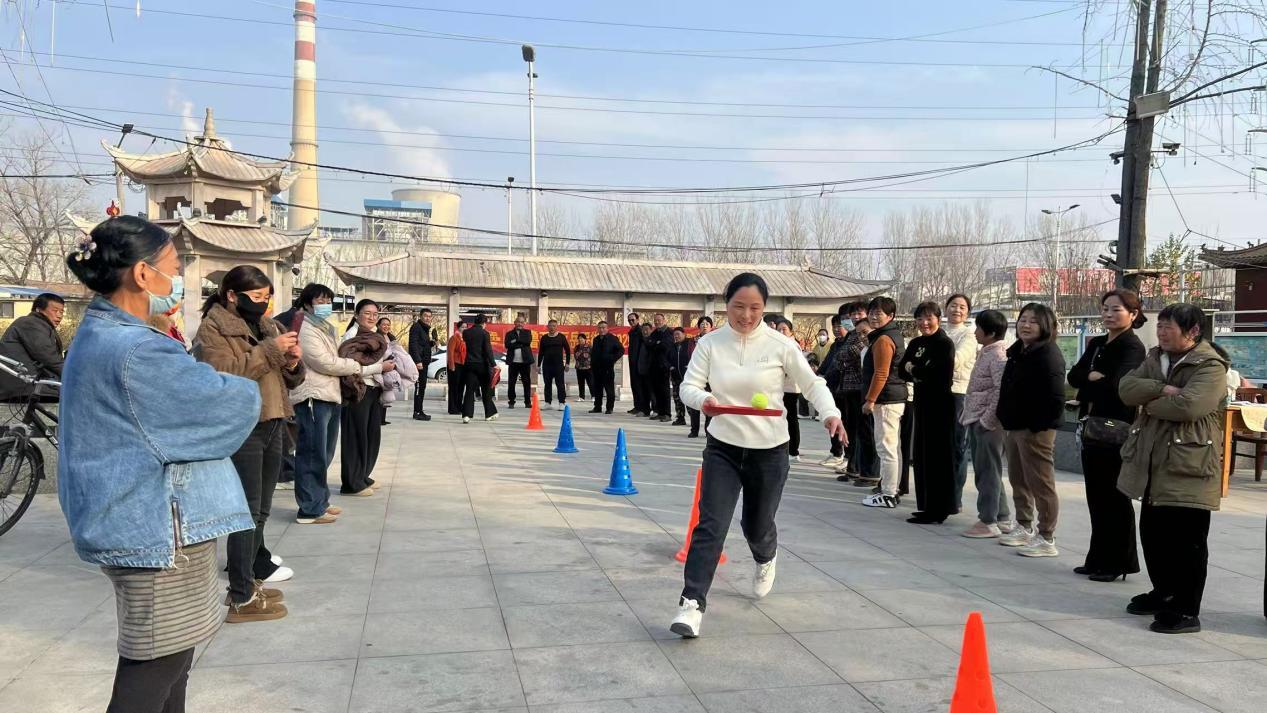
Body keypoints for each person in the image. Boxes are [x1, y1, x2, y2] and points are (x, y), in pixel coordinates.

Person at [59, 216, 260, 713]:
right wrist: (250, 381)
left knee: (173, 654)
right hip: (157, 528)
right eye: (173, 267)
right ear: (143, 274)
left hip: (150, 520)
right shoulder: (135, 350)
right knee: (154, 662)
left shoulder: (108, 334)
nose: (178, 280)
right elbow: (220, 405)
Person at [671, 273, 845, 638]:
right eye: (739, 306)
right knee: (711, 524)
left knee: (756, 524)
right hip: (723, 447)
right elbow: (689, 386)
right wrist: (705, 400)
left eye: (755, 308)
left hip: (769, 450)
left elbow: (812, 383)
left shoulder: (780, 344)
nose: (746, 315)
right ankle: (691, 604)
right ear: (726, 305)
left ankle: (766, 556)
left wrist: (830, 414)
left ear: (764, 308)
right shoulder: (710, 343)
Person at [193, 266, 305, 622]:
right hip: (243, 427)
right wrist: (271, 351)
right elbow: (223, 374)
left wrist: (292, 362)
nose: (263, 303)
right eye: (256, 297)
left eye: (267, 297)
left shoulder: (267, 326)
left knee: (262, 510)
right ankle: (240, 595)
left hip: (273, 419)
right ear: (232, 295)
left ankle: (251, 579)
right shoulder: (212, 328)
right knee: (246, 512)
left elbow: (282, 376)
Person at [1119, 303, 1227, 634]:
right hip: (1153, 462)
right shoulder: (1156, 358)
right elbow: (1126, 389)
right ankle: (1163, 592)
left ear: (1193, 331)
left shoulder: (1210, 365)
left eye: (1169, 326)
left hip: (1188, 466)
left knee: (1187, 542)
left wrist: (1150, 402)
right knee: (1154, 535)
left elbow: (1189, 406)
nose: (1162, 332)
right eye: (1160, 325)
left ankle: (1186, 609)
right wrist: (1161, 389)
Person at [289, 284, 390, 523]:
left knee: (324, 453)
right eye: (320, 301)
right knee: (312, 454)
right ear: (307, 303)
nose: (325, 306)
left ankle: (319, 501)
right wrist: (359, 367)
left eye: (328, 301)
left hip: (329, 394)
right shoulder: (305, 328)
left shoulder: (324, 327)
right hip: (313, 395)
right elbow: (325, 362)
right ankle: (309, 509)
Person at [1067, 289, 1147, 581]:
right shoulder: (1098, 343)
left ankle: (1118, 563)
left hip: (1116, 427)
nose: (1109, 315)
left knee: (1114, 496)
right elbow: (1074, 375)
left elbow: (1118, 387)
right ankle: (1097, 558)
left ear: (1133, 314)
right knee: (1096, 495)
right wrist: (1091, 378)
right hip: (1091, 424)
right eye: (1105, 309)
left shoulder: (1132, 347)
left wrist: (1090, 381)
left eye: (1116, 310)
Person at [996, 302, 1066, 557]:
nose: (1026, 325)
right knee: (1019, 479)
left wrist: (1038, 425)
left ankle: (1046, 536)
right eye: (1023, 319)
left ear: (1045, 326)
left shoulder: (1048, 354)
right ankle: (1024, 525)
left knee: (1041, 483)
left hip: (1036, 428)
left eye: (1033, 321)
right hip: (1015, 425)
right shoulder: (1018, 351)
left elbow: (1055, 397)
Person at [897, 301, 956, 523]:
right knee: (922, 455)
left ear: (938, 319)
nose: (924, 323)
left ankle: (939, 508)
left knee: (938, 456)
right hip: (921, 402)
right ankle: (926, 505)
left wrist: (915, 369)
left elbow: (938, 374)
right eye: (920, 319)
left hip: (940, 405)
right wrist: (917, 370)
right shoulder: (916, 342)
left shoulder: (944, 343)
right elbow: (902, 370)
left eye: (929, 318)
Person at [959, 309, 1014, 538]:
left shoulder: (998, 355)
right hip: (977, 418)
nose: (975, 332)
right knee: (989, 470)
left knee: (987, 472)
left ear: (990, 333)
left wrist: (987, 420)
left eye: (979, 328)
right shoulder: (987, 352)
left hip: (987, 422)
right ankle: (1002, 517)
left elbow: (1001, 391)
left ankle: (988, 520)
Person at [338, 299, 396, 496]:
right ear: (356, 315)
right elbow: (349, 368)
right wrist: (380, 367)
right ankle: (351, 483)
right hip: (357, 390)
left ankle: (362, 475)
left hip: (373, 390)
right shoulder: (351, 336)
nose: (372, 317)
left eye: (375, 314)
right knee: (355, 436)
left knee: (370, 436)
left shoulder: (374, 336)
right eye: (367, 313)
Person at [860, 297, 908, 509]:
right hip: (893, 397)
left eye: (879, 313)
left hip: (886, 399)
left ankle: (888, 494)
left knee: (886, 448)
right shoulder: (892, 334)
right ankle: (892, 490)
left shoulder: (883, 339)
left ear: (891, 316)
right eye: (871, 312)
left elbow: (881, 373)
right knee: (892, 448)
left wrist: (870, 400)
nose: (874, 317)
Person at [835, 303, 877, 484]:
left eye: (859, 313)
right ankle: (853, 468)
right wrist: (846, 355)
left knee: (865, 432)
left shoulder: (869, 334)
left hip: (862, 388)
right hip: (848, 388)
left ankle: (868, 472)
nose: (854, 317)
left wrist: (847, 354)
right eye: (852, 314)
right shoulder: (853, 334)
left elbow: (850, 352)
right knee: (852, 430)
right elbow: (839, 357)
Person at [944, 294, 977, 513]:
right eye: (953, 305)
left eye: (962, 307)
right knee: (939, 446)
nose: (957, 310)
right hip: (938, 393)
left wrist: (929, 364)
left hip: (958, 393)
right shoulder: (939, 332)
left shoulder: (969, 335)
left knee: (957, 446)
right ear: (945, 308)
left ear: (967, 312)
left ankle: (954, 498)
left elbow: (955, 361)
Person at [0, 292, 65, 400]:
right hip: (25, 387)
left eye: (62, 312)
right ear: (38, 310)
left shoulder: (41, 325)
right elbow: (49, 358)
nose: (59, 315)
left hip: (28, 386)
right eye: (55, 310)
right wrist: (74, 376)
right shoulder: (31, 323)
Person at [817, 315, 849, 468]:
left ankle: (846, 455)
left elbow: (837, 367)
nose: (836, 329)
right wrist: (818, 374)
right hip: (832, 389)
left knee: (845, 424)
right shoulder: (835, 345)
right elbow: (826, 364)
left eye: (839, 326)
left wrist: (826, 375)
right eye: (834, 326)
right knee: (833, 421)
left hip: (844, 389)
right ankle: (836, 452)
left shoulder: (849, 344)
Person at [774, 317, 807, 462]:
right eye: (779, 329)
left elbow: (794, 368)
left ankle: (793, 451)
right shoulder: (779, 344)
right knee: (783, 419)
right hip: (781, 388)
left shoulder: (793, 345)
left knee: (791, 419)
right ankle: (786, 449)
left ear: (791, 331)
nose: (781, 332)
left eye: (784, 329)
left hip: (790, 388)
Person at [462, 314, 499, 422]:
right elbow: (488, 350)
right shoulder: (485, 333)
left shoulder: (466, 332)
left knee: (469, 390)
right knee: (486, 389)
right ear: (484, 323)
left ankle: (466, 415)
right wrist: (494, 364)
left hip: (469, 363)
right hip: (482, 365)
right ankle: (489, 414)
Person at [685, 316, 714, 437]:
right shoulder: (693, 340)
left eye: (707, 324)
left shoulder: (715, 340)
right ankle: (694, 430)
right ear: (699, 327)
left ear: (711, 327)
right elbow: (689, 355)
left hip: (711, 376)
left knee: (710, 402)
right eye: (702, 324)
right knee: (694, 402)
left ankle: (708, 430)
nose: (704, 326)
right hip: (696, 374)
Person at [590, 320, 624, 414]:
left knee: (609, 389)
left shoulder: (612, 338)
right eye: (600, 328)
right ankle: (597, 407)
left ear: (607, 328)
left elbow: (621, 350)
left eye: (603, 328)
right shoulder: (596, 339)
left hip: (607, 368)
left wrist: (612, 359)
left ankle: (609, 408)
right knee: (597, 389)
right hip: (597, 368)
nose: (601, 330)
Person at [407, 308, 435, 421]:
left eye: (429, 316)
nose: (427, 318)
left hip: (424, 362)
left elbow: (422, 344)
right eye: (425, 316)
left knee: (422, 387)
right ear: (420, 316)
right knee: (419, 386)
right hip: (420, 362)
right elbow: (413, 345)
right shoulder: (416, 327)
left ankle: (419, 410)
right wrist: (417, 361)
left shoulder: (425, 329)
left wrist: (431, 343)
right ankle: (417, 412)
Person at [537, 319, 571, 409]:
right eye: (550, 326)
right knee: (547, 384)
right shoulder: (544, 338)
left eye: (554, 326)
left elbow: (568, 351)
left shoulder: (561, 337)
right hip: (547, 365)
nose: (552, 328)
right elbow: (541, 352)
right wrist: (538, 365)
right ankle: (548, 403)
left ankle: (561, 403)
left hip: (558, 365)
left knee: (560, 384)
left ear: (557, 327)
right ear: (547, 327)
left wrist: (567, 363)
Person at [504, 315, 535, 409]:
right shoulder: (509, 333)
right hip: (513, 362)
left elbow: (528, 341)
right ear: (515, 323)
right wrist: (520, 343)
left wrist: (515, 341)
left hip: (525, 362)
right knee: (511, 382)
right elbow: (507, 345)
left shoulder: (527, 332)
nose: (520, 324)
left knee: (526, 382)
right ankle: (511, 401)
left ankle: (527, 402)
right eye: (518, 322)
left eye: (522, 322)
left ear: (524, 323)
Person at [648, 313, 674, 421]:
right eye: (655, 320)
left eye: (659, 320)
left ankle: (667, 414)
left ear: (664, 320)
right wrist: (657, 343)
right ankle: (659, 412)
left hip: (664, 365)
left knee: (665, 391)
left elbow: (666, 346)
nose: (657, 322)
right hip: (654, 365)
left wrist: (657, 344)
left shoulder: (669, 332)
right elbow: (649, 344)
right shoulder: (654, 333)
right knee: (656, 390)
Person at [668, 326, 692, 427]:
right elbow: (666, 358)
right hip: (676, 377)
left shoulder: (689, 344)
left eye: (678, 334)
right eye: (675, 335)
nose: (676, 336)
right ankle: (680, 418)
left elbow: (694, 357)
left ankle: (693, 420)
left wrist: (690, 365)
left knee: (689, 398)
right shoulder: (672, 346)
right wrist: (670, 366)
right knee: (677, 398)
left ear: (684, 334)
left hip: (688, 377)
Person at [627, 312, 648, 415]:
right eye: (629, 320)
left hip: (639, 362)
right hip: (632, 361)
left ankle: (642, 407)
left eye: (633, 320)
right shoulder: (632, 332)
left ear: (638, 320)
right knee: (634, 385)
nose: (631, 322)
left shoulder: (640, 331)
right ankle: (637, 406)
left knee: (640, 386)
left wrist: (640, 361)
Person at [446, 324, 466, 414]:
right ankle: (452, 408)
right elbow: (450, 352)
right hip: (455, 364)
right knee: (454, 387)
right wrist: (452, 365)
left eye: (465, 327)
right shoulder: (454, 338)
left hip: (463, 365)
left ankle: (459, 406)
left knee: (461, 387)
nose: (464, 328)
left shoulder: (465, 338)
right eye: (462, 327)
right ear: (458, 328)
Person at [574, 333, 593, 402]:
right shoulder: (576, 347)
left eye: (582, 338)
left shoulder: (589, 347)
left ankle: (593, 396)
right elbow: (575, 356)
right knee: (580, 383)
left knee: (590, 383)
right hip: (579, 368)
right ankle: (581, 397)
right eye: (579, 339)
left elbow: (593, 356)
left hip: (588, 368)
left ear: (585, 339)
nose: (580, 340)